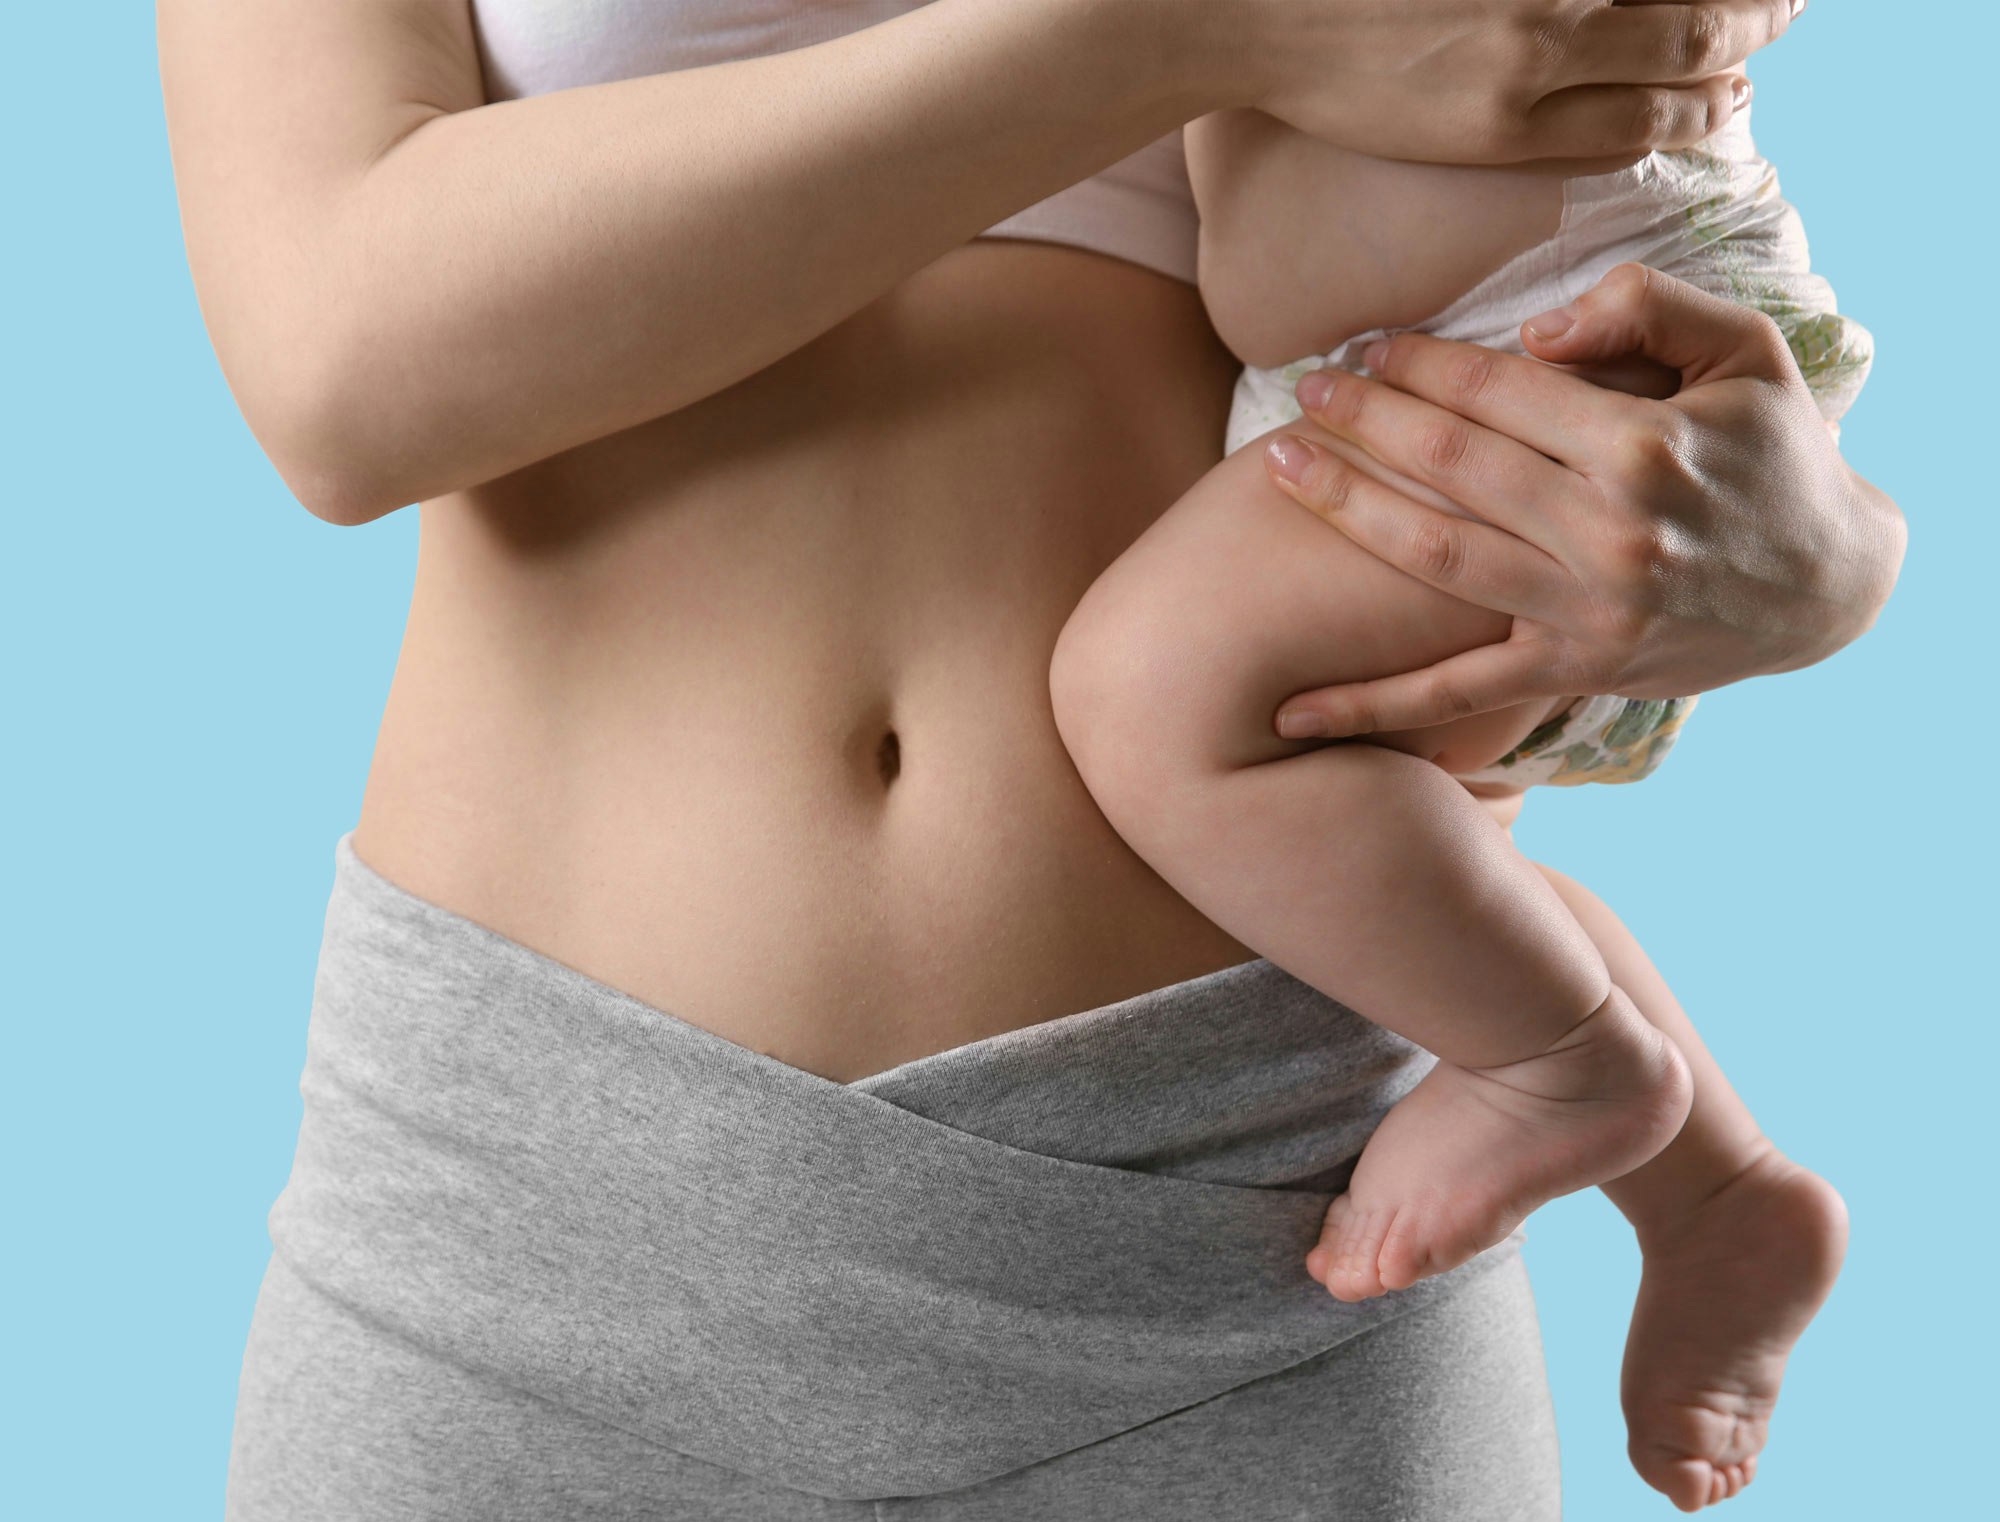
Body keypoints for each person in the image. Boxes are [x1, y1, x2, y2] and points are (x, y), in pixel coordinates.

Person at [156, 1, 1903, 1517]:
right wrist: (1181, 29)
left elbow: (1629, 207)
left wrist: (1837, 554)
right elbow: (340, 365)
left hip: (1269, 1207)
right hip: (528, 1215)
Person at [1047, 88, 1868, 1512]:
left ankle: (1565, 1068)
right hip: (1479, 339)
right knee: (1414, 844)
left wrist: (1852, 558)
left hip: (1548, 338)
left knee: (1156, 693)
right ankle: (1715, 1188)